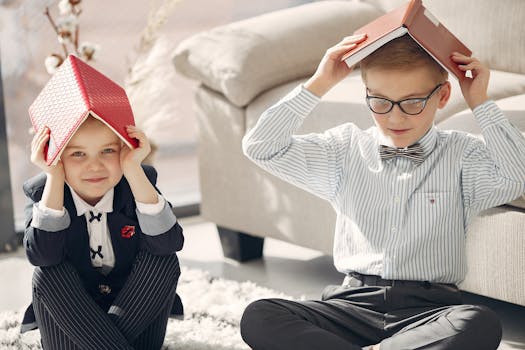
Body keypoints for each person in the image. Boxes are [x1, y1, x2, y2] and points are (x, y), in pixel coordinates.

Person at [239, 33, 525, 350]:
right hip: (349, 307)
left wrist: (480, 101)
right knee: (260, 315)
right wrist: (320, 82)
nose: (395, 117)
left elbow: (516, 176)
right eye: (380, 102)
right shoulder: (343, 149)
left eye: (413, 102)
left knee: (477, 323)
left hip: (429, 312)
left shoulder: (462, 154)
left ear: (443, 96)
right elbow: (261, 147)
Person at [21, 116, 184, 350]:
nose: (95, 166)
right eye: (78, 154)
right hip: (72, 322)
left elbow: (168, 243)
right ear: (56, 156)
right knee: (48, 273)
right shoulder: (44, 194)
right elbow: (42, 256)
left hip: (134, 313)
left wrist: (132, 167)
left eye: (107, 150)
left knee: (163, 261)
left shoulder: (137, 186)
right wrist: (55, 175)